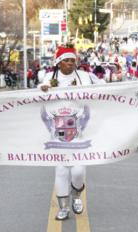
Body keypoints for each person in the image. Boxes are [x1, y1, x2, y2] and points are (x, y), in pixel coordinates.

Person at [39, 45, 103, 221]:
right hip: (58, 132)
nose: (70, 63)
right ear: (59, 63)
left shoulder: (84, 76)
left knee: (78, 171)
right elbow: (41, 88)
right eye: (66, 60)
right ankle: (63, 208)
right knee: (61, 170)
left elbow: (102, 87)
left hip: (80, 130)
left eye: (73, 60)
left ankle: (76, 195)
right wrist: (43, 88)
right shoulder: (48, 77)